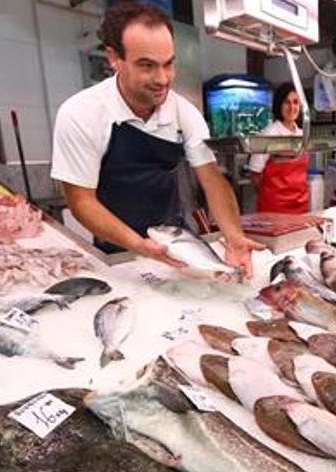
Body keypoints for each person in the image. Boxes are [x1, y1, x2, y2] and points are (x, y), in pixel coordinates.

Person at [50, 2, 262, 274]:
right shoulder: (81, 113)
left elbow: (211, 180)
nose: (162, 79)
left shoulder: (184, 113)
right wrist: (138, 244)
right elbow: (81, 201)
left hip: (177, 240)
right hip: (118, 249)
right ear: (114, 58)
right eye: (147, 66)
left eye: (168, 64)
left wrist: (234, 237)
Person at [248, 83, 310, 214]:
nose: (292, 107)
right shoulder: (269, 133)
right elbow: (254, 173)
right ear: (279, 105)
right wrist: (268, 195)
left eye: (295, 102)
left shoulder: (302, 135)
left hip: (300, 204)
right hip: (274, 207)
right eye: (287, 102)